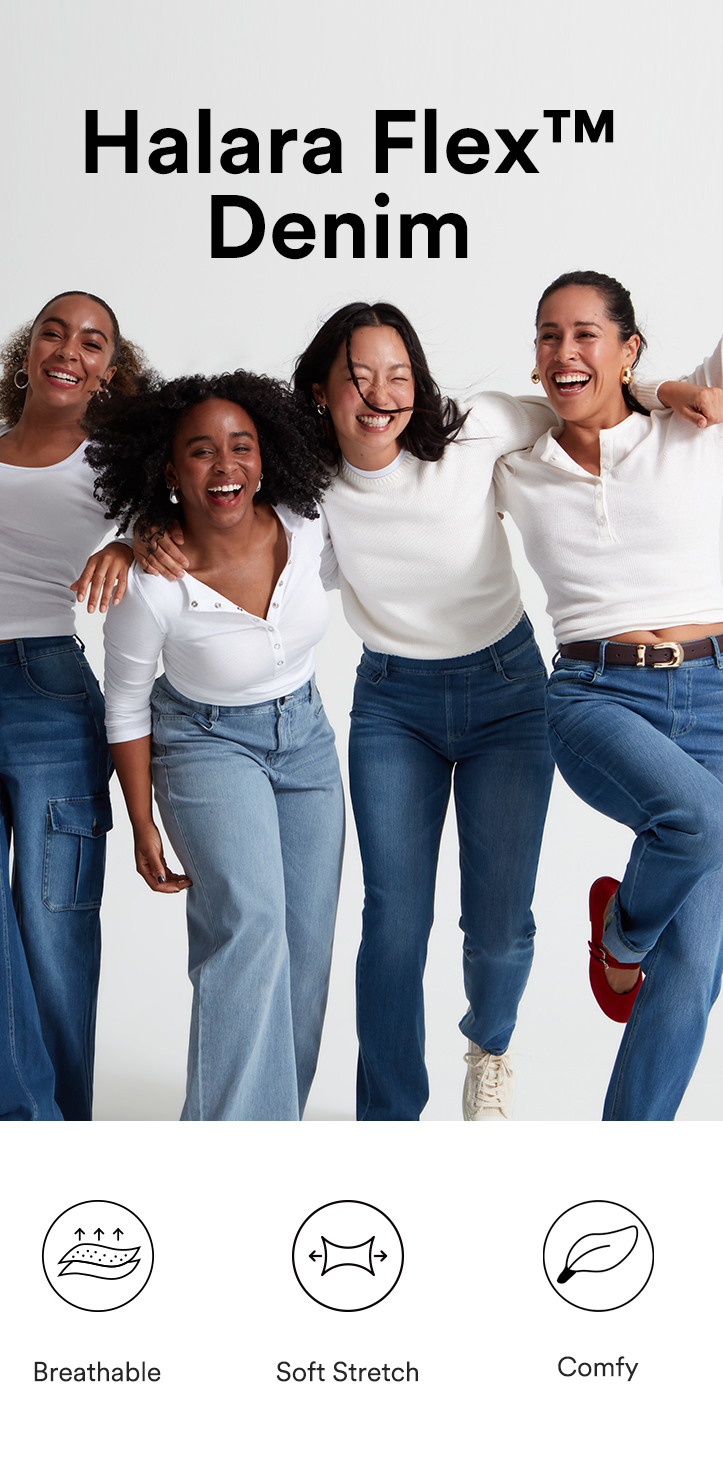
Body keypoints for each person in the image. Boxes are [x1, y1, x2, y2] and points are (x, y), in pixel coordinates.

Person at [290, 302, 559, 1121]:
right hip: (393, 706)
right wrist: (142, 539)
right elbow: (237, 533)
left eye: (398, 374)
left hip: (508, 693)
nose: (382, 394)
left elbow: (576, 407)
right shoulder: (310, 486)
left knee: (499, 926)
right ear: (321, 390)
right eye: (360, 376)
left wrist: (660, 389)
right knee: (394, 922)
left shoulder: (471, 430)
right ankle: (389, 1118)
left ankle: (490, 1047)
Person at [495, 270, 723, 1120]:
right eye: (549, 336)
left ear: (629, 348)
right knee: (706, 820)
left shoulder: (692, 425)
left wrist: (663, 392)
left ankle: (625, 1159)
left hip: (715, 688)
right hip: (596, 694)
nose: (565, 350)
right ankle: (622, 937)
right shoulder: (515, 466)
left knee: (695, 966)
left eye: (586, 333)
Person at [90, 372, 344, 1121]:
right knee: (249, 928)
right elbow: (124, 703)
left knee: (305, 941)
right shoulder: (152, 583)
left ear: (266, 458)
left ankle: (274, 1126)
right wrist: (142, 819)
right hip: (205, 743)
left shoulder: (306, 522)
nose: (225, 465)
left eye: (242, 446)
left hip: (306, 738)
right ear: (171, 473)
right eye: (201, 451)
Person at [0, 289, 144, 1121]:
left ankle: (64, 1135)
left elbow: (191, 516)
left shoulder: (117, 461)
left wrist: (128, 544)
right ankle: (13, 1127)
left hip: (46, 691)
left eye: (92, 341)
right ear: (28, 350)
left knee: (54, 927)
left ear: (109, 371)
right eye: (54, 331)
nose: (68, 349)